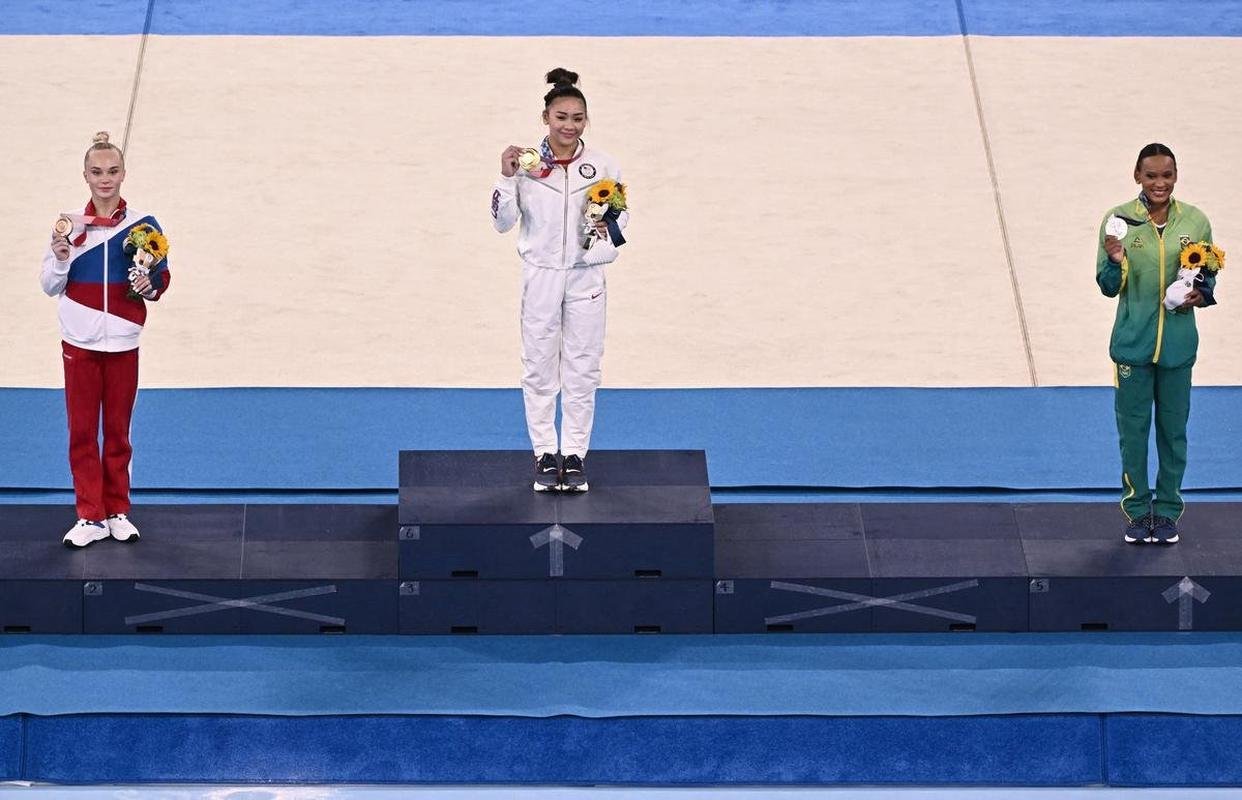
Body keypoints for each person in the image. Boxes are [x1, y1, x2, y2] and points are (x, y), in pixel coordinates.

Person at [491, 68, 628, 493]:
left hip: (587, 281)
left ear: (586, 120)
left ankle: (575, 454)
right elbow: (502, 223)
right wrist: (506, 176)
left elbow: (619, 225)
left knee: (584, 369)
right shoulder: (526, 165)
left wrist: (597, 249)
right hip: (541, 277)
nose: (569, 125)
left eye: (577, 118)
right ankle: (545, 454)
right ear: (545, 117)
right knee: (538, 368)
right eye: (561, 117)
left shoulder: (602, 165)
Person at [40, 132, 171, 548]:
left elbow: (160, 282)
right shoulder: (69, 227)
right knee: (82, 430)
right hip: (78, 341)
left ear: (123, 174)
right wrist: (62, 259)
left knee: (118, 431)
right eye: (97, 172)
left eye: (112, 171)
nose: (105, 179)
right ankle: (89, 516)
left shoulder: (144, 227)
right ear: (85, 175)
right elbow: (48, 284)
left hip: (123, 342)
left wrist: (146, 284)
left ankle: (117, 510)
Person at [1096, 143, 1217, 545]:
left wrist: (1202, 294)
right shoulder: (1118, 223)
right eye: (1151, 176)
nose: (1159, 183)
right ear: (1137, 176)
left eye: (1167, 175)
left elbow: (1206, 276)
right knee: (1133, 433)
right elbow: (1108, 287)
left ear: (1176, 176)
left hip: (1179, 348)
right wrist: (1114, 261)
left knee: (1173, 432)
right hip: (1133, 345)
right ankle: (1136, 510)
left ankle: (1166, 511)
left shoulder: (1195, 222)